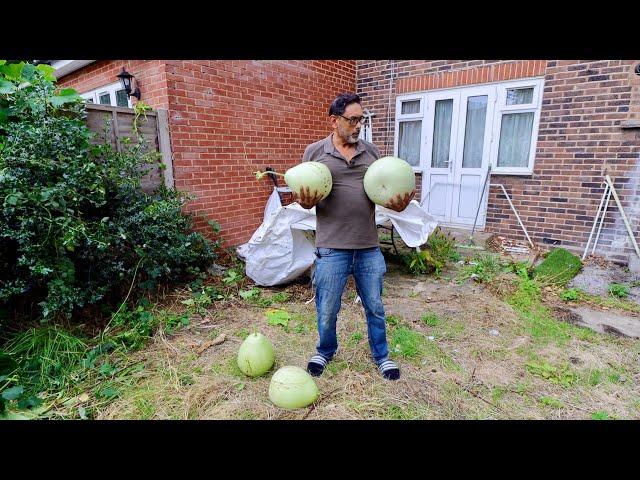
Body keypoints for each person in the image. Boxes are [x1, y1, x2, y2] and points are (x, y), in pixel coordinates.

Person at [296, 92, 415, 381]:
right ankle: (324, 351)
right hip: (331, 247)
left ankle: (382, 356)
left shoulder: (372, 153)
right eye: (352, 120)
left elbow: (381, 191)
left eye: (361, 119)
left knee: (375, 306)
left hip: (367, 247)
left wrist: (397, 205)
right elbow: (305, 195)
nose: (358, 125)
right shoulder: (314, 153)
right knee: (327, 307)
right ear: (334, 121)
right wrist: (305, 202)